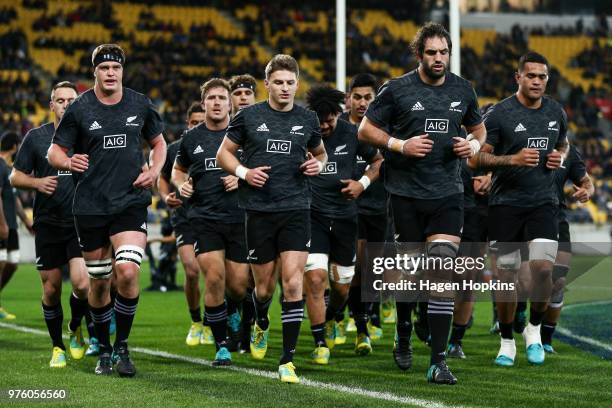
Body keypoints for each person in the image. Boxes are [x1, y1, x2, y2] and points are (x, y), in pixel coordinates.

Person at [358, 22, 486, 384]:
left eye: (443, 52)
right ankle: (402, 329)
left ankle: (438, 361)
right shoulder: (397, 89)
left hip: (447, 194)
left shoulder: (463, 89)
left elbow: (478, 129)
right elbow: (365, 130)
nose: (438, 58)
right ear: (419, 55)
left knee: (442, 269)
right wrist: (401, 145)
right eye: (431, 53)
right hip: (405, 196)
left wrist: (472, 146)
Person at [48, 43, 166, 377]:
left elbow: (159, 143)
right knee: (98, 284)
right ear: (95, 72)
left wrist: (155, 170)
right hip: (91, 206)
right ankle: (104, 349)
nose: (110, 73)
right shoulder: (80, 108)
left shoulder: (140, 103)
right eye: (104, 68)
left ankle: (123, 347)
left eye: (115, 67)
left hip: (130, 201)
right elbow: (55, 152)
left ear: (122, 71)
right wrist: (68, 160)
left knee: (127, 272)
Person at [216, 54, 327, 383]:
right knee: (263, 289)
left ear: (297, 84)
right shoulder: (249, 116)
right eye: (278, 82)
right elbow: (223, 153)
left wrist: (317, 165)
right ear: (267, 84)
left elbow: (320, 153)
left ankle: (287, 360)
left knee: (293, 283)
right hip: (259, 211)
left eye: (290, 83)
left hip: (296, 208)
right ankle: (261, 320)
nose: (285, 88)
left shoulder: (308, 119)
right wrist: (244, 172)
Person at [471, 51, 568, 367]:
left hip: (543, 204)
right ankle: (507, 341)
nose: (537, 81)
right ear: (518, 77)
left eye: (542, 76)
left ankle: (535, 331)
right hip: (505, 207)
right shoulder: (499, 114)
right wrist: (510, 159)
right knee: (506, 277)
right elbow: (476, 159)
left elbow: (563, 144)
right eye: (531, 75)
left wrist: (559, 157)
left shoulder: (556, 111)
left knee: (544, 270)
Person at [10, 81, 92, 367]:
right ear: (51, 104)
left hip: (80, 221)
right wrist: (36, 182)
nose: (67, 105)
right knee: (51, 289)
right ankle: (57, 346)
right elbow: (14, 177)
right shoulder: (36, 137)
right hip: (47, 223)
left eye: (72, 100)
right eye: (61, 100)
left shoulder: (87, 136)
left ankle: (76, 327)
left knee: (82, 285)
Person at [172, 78, 249, 366]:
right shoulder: (191, 138)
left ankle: (233, 309)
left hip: (239, 217)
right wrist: (181, 186)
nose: (216, 103)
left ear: (230, 104)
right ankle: (221, 346)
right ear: (203, 104)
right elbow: (177, 171)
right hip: (204, 218)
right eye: (211, 98)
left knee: (239, 285)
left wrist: (240, 175)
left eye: (221, 98)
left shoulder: (245, 134)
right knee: (214, 278)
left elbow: (260, 170)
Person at [304, 84, 382, 364]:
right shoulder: (300, 132)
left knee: (342, 288)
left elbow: (378, 161)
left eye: (330, 120)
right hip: (311, 216)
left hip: (346, 219)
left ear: (339, 114)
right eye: (319, 121)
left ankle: (334, 316)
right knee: (314, 279)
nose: (324, 126)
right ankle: (320, 341)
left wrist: (361, 184)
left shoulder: (352, 134)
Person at [158, 101, 213, 346]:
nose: (197, 126)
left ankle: (212, 322)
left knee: (214, 274)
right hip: (184, 217)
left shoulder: (221, 143)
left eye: (202, 122)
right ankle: (196, 321)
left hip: (213, 215)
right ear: (187, 124)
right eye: (193, 122)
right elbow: (161, 178)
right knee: (191, 270)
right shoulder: (175, 149)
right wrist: (165, 196)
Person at [541, 144, 593, 353]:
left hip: (556, 217)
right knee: (523, 279)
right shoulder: (522, 139)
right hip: (520, 217)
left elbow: (586, 181)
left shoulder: (569, 151)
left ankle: (545, 338)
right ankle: (512, 317)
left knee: (558, 281)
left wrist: (586, 191)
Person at [228, 73, 258, 353]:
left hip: (256, 209)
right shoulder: (222, 130)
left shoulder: (265, 126)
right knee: (234, 281)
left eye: (248, 93)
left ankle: (248, 328)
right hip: (226, 214)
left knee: (254, 278)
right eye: (238, 93)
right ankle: (235, 319)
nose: (243, 97)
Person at [0, 132, 26, 321]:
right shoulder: (0, 166)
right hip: (2, 224)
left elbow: (14, 198)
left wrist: (26, 221)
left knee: (13, 262)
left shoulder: (10, 169)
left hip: (12, 225)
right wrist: (2, 224)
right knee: (1, 263)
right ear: (15, 146)